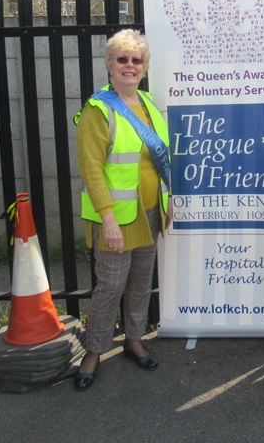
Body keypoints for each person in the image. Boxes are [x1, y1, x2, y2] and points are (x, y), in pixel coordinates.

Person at [72, 29, 172, 391]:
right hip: (116, 218)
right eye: (122, 59)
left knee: (141, 283)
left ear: (144, 67)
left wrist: (168, 200)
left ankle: (133, 339)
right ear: (110, 66)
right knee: (111, 285)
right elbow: (92, 171)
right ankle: (95, 350)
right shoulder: (97, 111)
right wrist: (108, 221)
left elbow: (160, 161)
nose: (130, 65)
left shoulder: (147, 104)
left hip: (148, 212)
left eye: (136, 60)